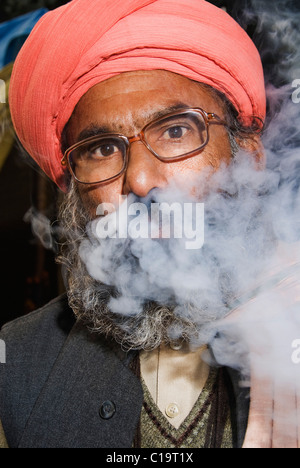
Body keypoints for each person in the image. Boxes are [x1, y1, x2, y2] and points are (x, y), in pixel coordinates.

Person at [0, 0, 299, 448]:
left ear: (250, 155)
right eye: (101, 149)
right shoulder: (18, 360)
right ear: (74, 190)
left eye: (177, 130)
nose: (139, 180)